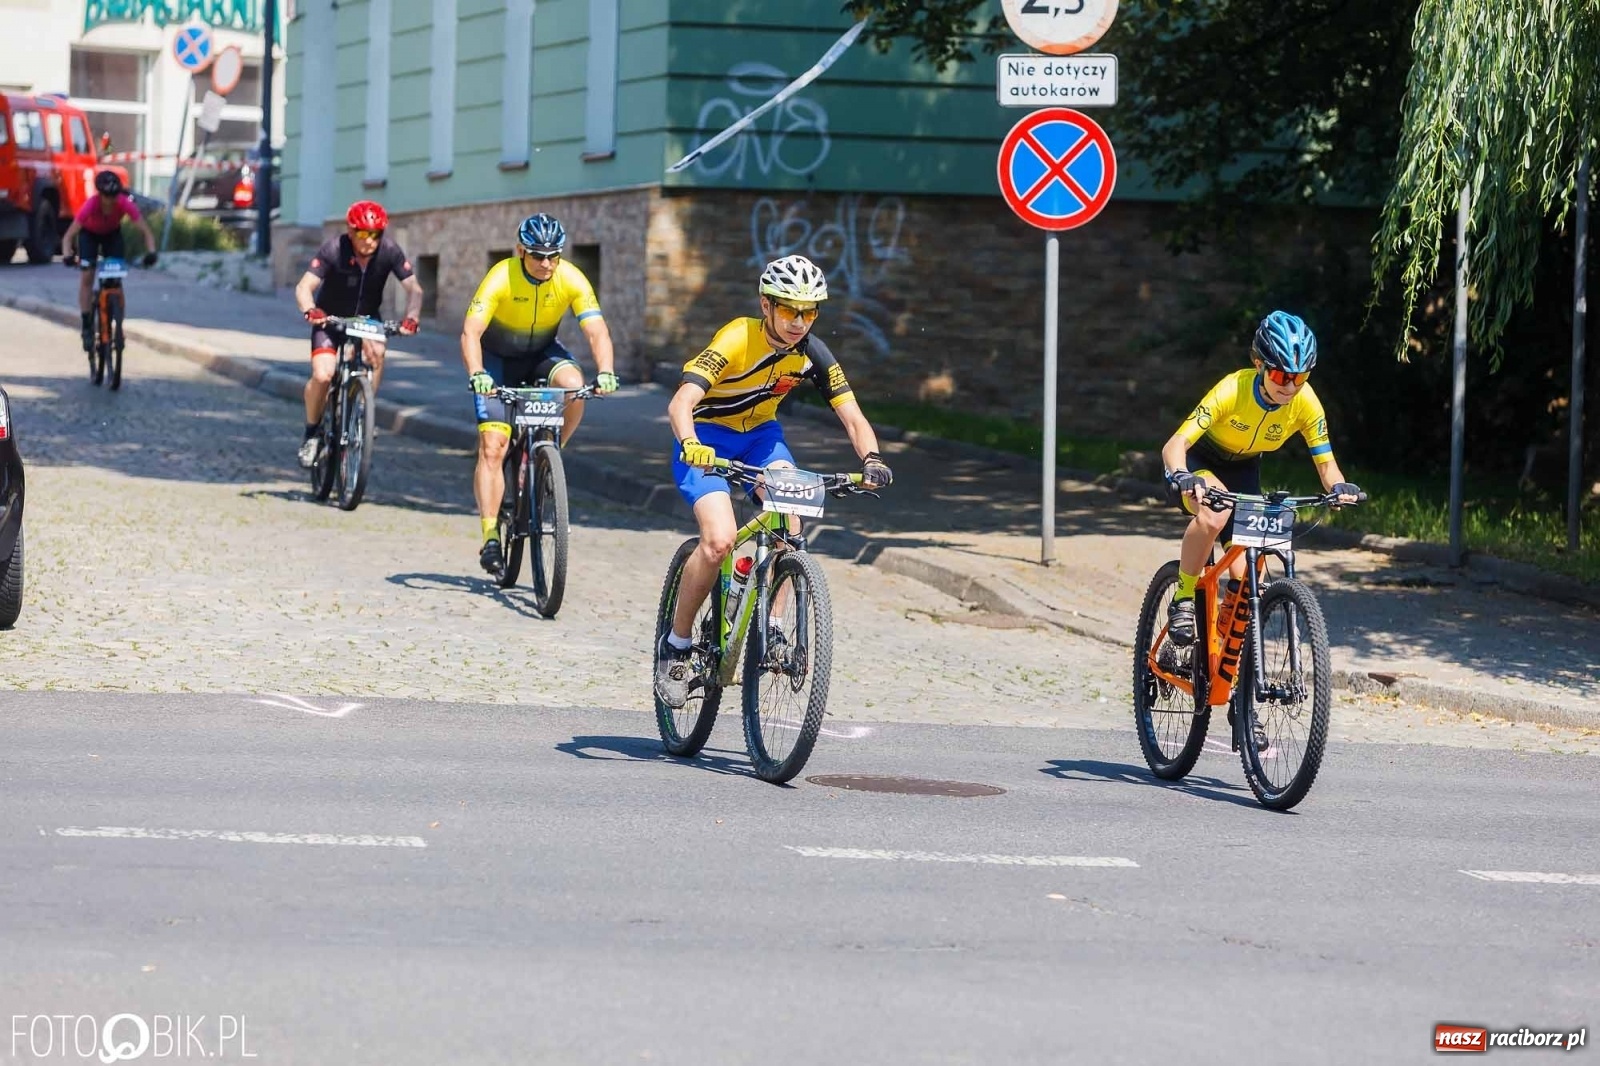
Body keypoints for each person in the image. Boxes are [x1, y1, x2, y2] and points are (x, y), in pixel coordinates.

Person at [653, 253, 894, 709]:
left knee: (791, 518)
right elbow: (681, 402)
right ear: (766, 305)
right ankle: (677, 645)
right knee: (719, 540)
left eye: (809, 312)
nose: (798, 322)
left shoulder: (812, 353)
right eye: (788, 310)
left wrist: (873, 459)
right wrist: (689, 442)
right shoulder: (736, 337)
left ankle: (776, 629)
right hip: (706, 438)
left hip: (762, 439)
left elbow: (852, 415)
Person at [1159, 310, 1363, 645]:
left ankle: (1222, 647)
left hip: (1243, 472)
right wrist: (1182, 475)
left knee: (1251, 579)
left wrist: (1339, 487)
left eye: (1301, 377)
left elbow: (1327, 466)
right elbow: (1175, 445)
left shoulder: (1306, 402)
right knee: (1215, 514)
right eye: (1282, 376)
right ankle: (1183, 597)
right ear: (1259, 365)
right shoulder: (1232, 389)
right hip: (1199, 464)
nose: (1291, 387)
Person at [460, 213, 619, 573]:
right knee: (493, 447)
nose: (546, 264)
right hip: (497, 361)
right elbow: (471, 332)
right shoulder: (501, 275)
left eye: (553, 256)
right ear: (520, 251)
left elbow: (596, 331)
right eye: (537, 255)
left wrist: (606, 371)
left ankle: (552, 456)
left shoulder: (570, 277)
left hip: (541, 355)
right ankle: (490, 536)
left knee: (575, 386)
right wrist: (477, 373)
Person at [292, 200, 423, 468]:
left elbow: (414, 289)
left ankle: (363, 410)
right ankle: (312, 433)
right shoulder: (333, 249)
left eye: (376, 234)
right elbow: (304, 286)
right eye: (363, 233)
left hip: (366, 319)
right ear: (351, 231)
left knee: (377, 352)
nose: (370, 240)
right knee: (323, 375)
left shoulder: (389, 250)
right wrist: (310, 309)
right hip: (329, 319)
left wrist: (412, 317)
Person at [60, 170, 158, 353]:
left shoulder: (124, 202)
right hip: (89, 235)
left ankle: (118, 324)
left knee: (115, 278)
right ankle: (87, 324)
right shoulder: (91, 205)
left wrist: (151, 252)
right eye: (107, 196)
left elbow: (145, 231)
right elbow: (68, 236)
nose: (110, 200)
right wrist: (67, 255)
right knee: (87, 276)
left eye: (114, 196)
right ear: (100, 194)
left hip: (112, 235)